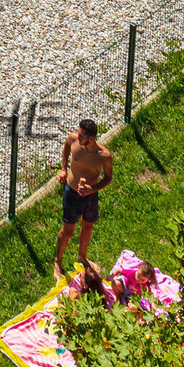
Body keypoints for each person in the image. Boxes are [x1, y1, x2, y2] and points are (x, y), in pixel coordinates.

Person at [55, 118, 114, 278]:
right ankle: (58, 261)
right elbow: (67, 146)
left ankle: (82, 256)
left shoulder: (104, 156)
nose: (78, 136)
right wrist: (63, 169)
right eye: (78, 133)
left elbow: (108, 178)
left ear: (91, 138)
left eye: (82, 135)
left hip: (90, 196)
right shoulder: (73, 140)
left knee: (87, 227)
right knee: (67, 231)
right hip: (71, 193)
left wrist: (92, 189)